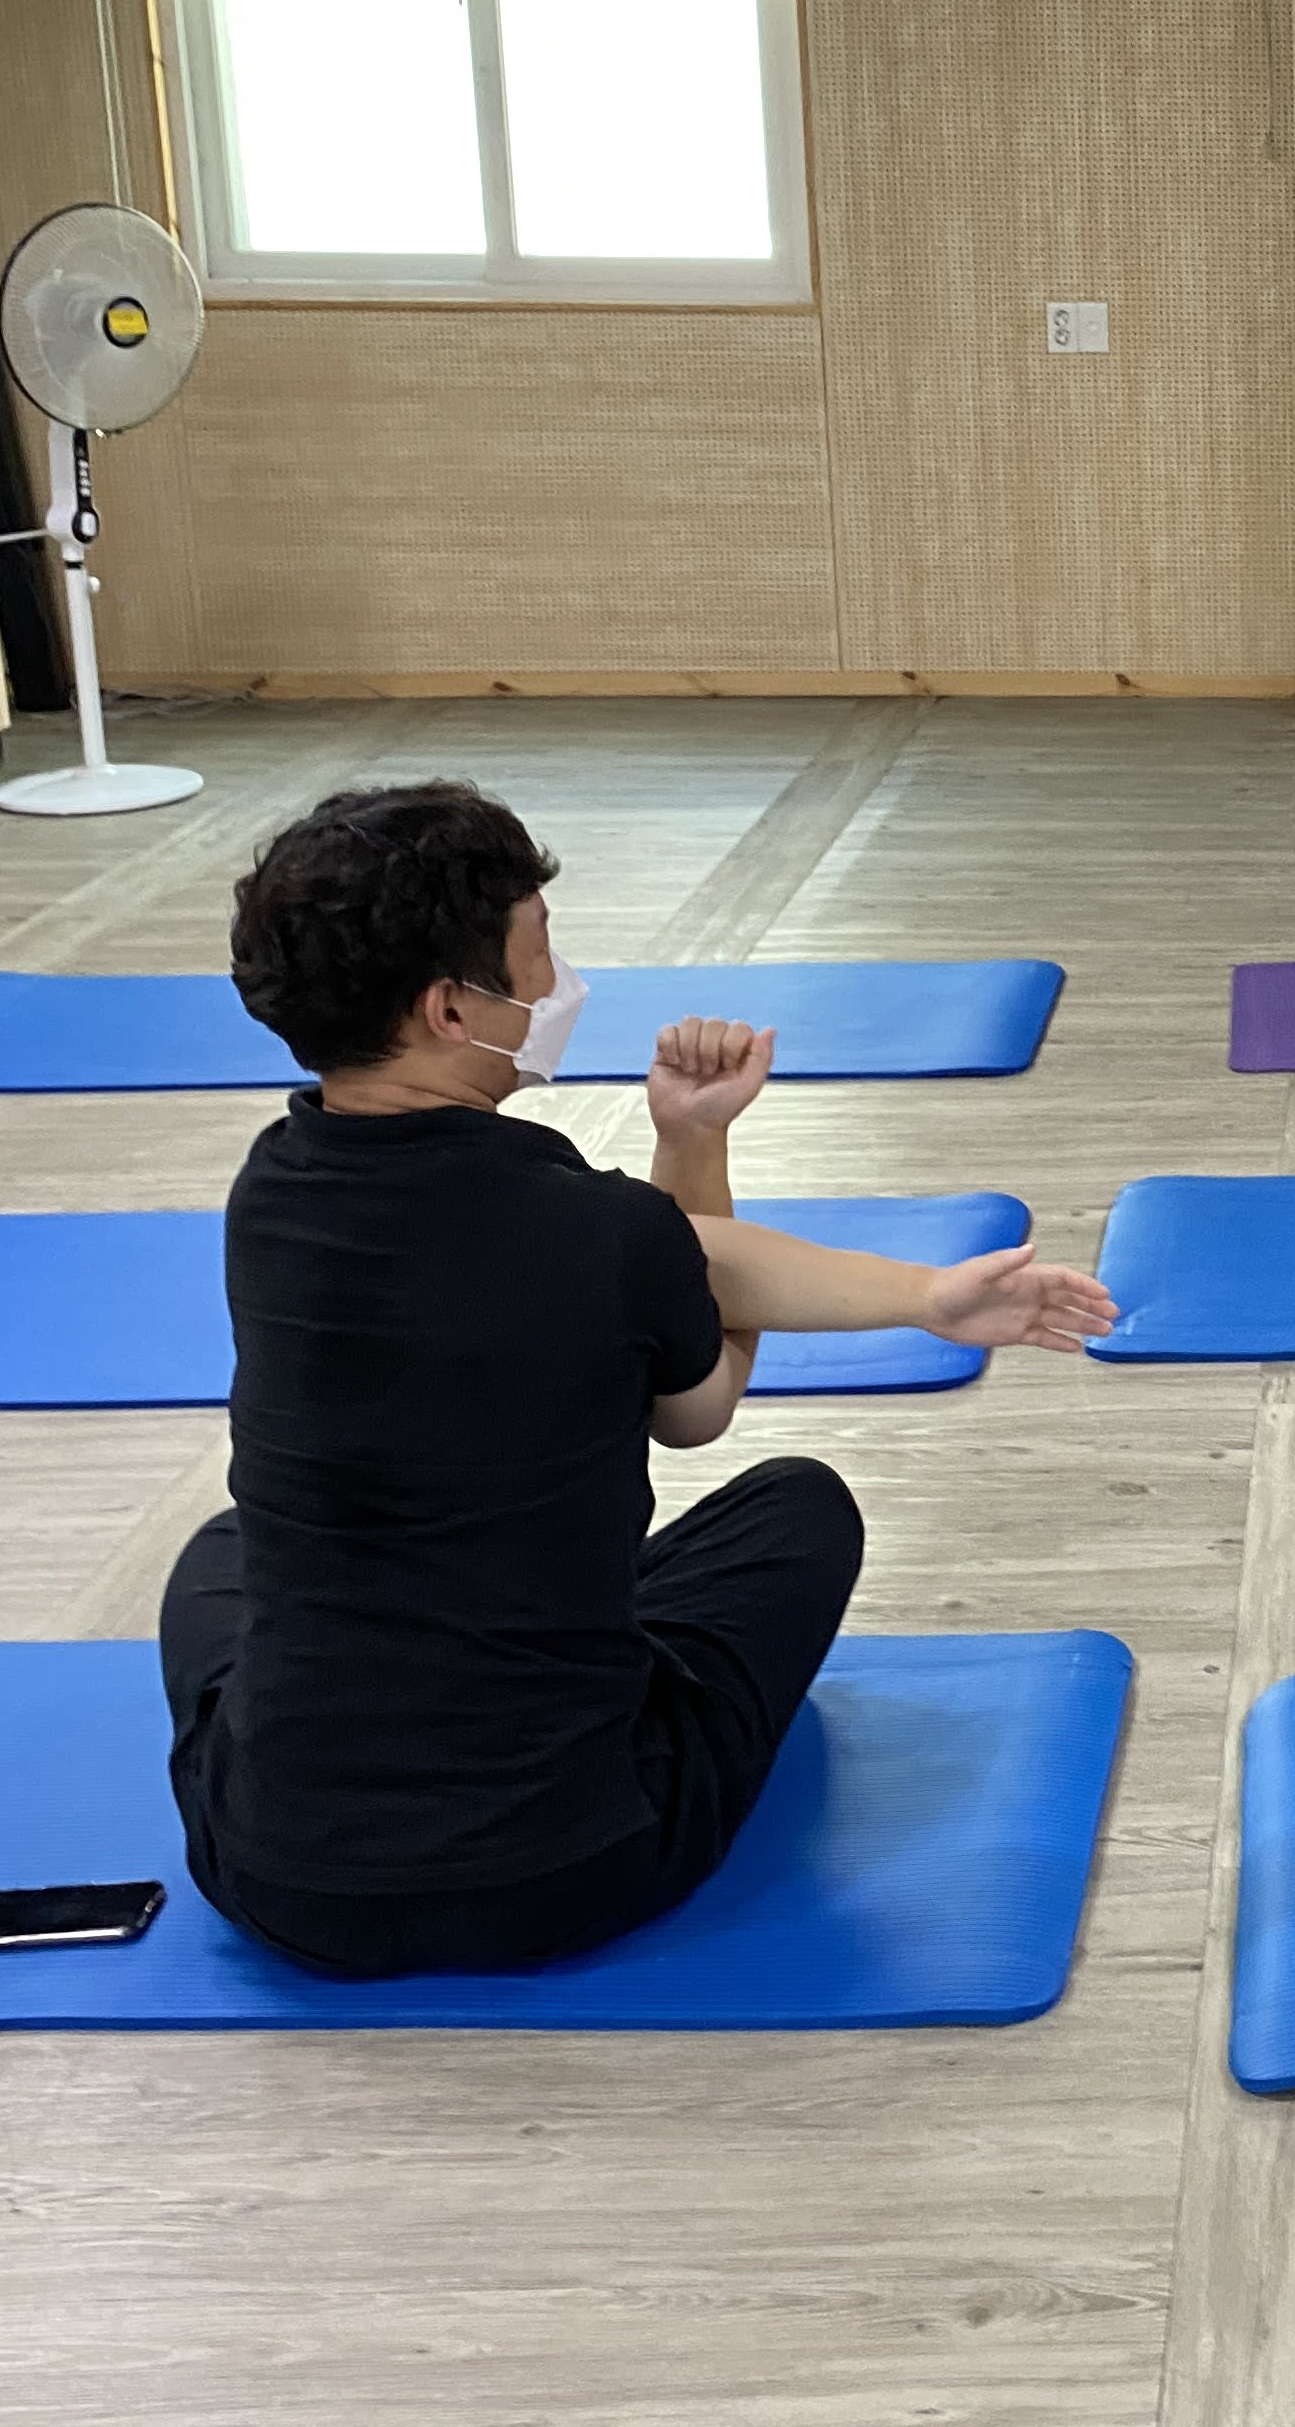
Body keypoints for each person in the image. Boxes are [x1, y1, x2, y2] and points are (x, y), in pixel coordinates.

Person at [159, 781, 1115, 1979]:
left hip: (279, 1877)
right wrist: (711, 1150)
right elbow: (697, 1405)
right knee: (798, 1509)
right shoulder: (603, 1232)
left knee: (225, 1555)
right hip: (570, 1868)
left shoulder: (269, 1194)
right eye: (537, 957)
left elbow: (665, 1257)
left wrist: (910, 1287)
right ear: (451, 1008)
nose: (556, 984)